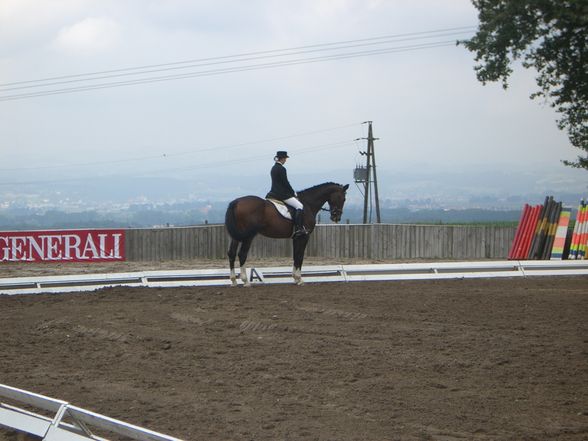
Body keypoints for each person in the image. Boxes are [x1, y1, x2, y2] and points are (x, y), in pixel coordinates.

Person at [266, 150, 308, 237]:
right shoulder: (282, 169)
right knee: (299, 206)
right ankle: (299, 228)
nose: (286, 160)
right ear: (283, 158)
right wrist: (293, 193)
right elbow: (285, 183)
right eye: (285, 158)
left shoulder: (273, 168)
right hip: (282, 195)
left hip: (273, 193)